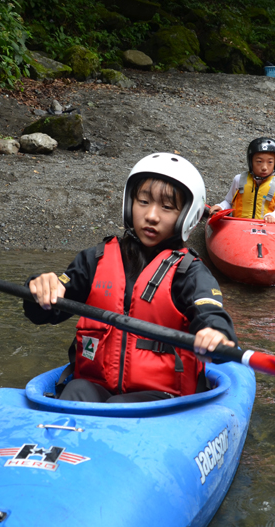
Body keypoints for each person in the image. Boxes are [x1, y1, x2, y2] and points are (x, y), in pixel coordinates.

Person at [24, 153, 237, 403]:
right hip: (94, 386)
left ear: (187, 215)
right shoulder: (94, 260)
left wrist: (216, 333)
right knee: (75, 391)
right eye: (143, 201)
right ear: (129, 203)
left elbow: (211, 313)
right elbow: (42, 314)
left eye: (167, 207)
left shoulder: (189, 272)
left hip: (162, 397)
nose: (152, 216)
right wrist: (39, 289)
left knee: (117, 405)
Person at [208, 137, 275, 222]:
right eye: (259, 161)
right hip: (239, 226)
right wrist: (221, 206)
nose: (264, 167)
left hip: (267, 229)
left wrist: (273, 215)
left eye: (270, 162)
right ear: (251, 162)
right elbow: (229, 202)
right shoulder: (239, 179)